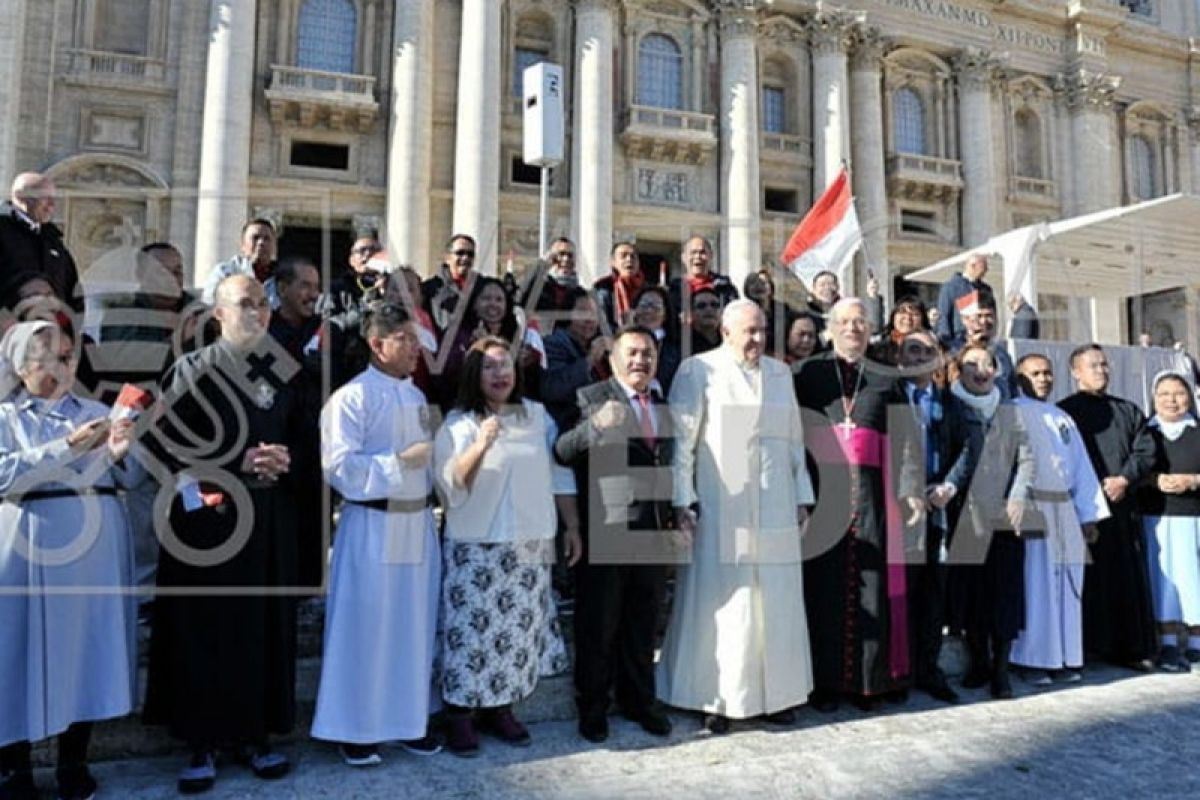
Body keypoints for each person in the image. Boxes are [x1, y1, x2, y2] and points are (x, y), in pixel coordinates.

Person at [144, 275, 304, 793]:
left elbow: (307, 438)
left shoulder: (283, 371)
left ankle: (257, 736)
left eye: (263, 303)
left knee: (263, 630)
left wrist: (289, 458)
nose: (257, 312)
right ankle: (201, 742)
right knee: (205, 631)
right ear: (219, 314)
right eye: (244, 304)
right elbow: (165, 446)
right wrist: (233, 461)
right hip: (208, 529)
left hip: (267, 524)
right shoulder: (191, 370)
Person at [658, 300, 814, 733]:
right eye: (749, 331)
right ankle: (717, 697)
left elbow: (794, 438)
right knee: (725, 604)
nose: (758, 339)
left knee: (776, 603)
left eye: (762, 330)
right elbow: (682, 442)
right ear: (726, 332)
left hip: (776, 502)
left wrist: (802, 494)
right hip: (720, 502)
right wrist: (681, 500)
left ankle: (777, 695)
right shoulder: (697, 370)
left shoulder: (781, 373)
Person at [0, 321, 139, 800]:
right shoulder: (5, 417)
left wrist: (118, 452)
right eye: (50, 357)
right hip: (29, 542)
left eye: (68, 356)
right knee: (16, 654)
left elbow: (125, 474)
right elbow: (3, 474)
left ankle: (73, 761)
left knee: (86, 652)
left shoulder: (97, 410)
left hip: (94, 544)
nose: (64, 366)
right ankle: (14, 767)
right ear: (21, 366)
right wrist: (67, 445)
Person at [432, 337, 578, 756]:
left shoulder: (536, 415)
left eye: (506, 366)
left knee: (516, 631)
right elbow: (449, 484)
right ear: (474, 375)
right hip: (476, 543)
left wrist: (572, 526)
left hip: (529, 539)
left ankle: (501, 707)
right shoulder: (457, 423)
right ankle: (459, 713)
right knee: (470, 632)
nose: (501, 374)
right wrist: (481, 442)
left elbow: (559, 475)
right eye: (490, 367)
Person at [311, 304, 442, 764]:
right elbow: (338, 467)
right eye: (405, 338)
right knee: (367, 626)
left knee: (412, 623)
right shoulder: (351, 398)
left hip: (416, 522)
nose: (415, 349)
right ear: (377, 343)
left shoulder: (417, 398)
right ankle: (357, 726)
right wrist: (399, 463)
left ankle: (410, 720)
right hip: (370, 521)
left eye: (417, 339)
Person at [794, 298, 922, 712]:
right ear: (830, 329)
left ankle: (869, 683)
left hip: (873, 496)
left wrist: (910, 489)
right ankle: (826, 684)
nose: (853, 328)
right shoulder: (808, 373)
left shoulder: (887, 378)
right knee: (823, 591)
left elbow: (905, 441)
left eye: (860, 322)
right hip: (820, 492)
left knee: (872, 590)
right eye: (845, 322)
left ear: (870, 331)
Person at [555, 325, 675, 744]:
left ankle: (640, 702)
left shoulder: (660, 402)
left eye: (648, 354)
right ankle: (593, 709)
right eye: (633, 353)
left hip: (654, 532)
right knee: (598, 627)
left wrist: (679, 513)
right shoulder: (589, 398)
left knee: (643, 625)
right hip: (605, 532)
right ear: (613, 359)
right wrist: (596, 428)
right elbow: (562, 451)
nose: (640, 360)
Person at [1058, 344, 1158, 671]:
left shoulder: (1127, 410)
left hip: (1121, 508)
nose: (1101, 370)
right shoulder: (1063, 412)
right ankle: (1083, 650)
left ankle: (1129, 648)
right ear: (1075, 372)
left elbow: (1144, 450)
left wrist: (1124, 479)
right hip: (1079, 511)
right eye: (1093, 365)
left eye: (1104, 364)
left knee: (1125, 579)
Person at [1009, 354, 1107, 684]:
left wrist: (1088, 514)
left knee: (1068, 585)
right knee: (1037, 585)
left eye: (1048, 373)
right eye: (1035, 373)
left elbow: (1081, 467)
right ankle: (1033, 658)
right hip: (1034, 504)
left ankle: (1066, 655)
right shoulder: (1012, 411)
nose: (1044, 379)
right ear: (1019, 377)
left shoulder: (1063, 416)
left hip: (1065, 506)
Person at [945, 344, 1033, 700]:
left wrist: (1017, 497)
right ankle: (979, 660)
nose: (980, 370)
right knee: (971, 591)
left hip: (1004, 511)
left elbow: (1027, 460)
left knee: (1005, 590)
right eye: (971, 364)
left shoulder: (1011, 410)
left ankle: (1001, 668)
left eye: (987, 363)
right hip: (963, 511)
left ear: (997, 370)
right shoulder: (950, 407)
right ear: (959, 371)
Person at [897, 330, 976, 703]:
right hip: (897, 509)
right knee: (900, 592)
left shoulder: (951, 404)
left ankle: (928, 669)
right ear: (900, 358)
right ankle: (897, 672)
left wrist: (949, 486)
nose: (921, 356)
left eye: (929, 351)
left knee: (933, 591)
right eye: (913, 350)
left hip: (939, 506)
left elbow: (967, 448)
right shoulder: (888, 398)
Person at [1139, 371, 1200, 671]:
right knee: (1162, 579)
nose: (1171, 400)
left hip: (1194, 518)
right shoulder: (1145, 433)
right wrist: (1154, 479)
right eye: (1164, 394)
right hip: (1156, 517)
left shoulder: (1197, 430)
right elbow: (1132, 469)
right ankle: (1168, 643)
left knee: (1194, 579)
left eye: (1178, 393)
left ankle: (1196, 642)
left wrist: (1193, 480)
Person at [0, 173, 81, 311]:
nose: (52, 204)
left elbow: (73, 292)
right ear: (21, 196)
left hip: (51, 329)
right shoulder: (3, 231)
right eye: (45, 197)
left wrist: (69, 328)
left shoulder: (52, 240)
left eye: (53, 198)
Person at [541, 288, 610, 429]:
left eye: (594, 313)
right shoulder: (554, 343)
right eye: (582, 312)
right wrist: (590, 360)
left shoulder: (601, 344)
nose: (589, 319)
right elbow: (554, 389)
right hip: (570, 426)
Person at [201, 218, 278, 307]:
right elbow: (208, 305)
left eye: (267, 239)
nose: (261, 243)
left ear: (274, 246)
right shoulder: (225, 273)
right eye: (255, 238)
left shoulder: (285, 276)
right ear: (243, 245)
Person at [667, 235, 737, 318]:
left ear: (711, 256)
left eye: (702, 252)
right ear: (683, 258)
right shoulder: (672, 289)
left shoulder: (725, 288)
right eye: (693, 252)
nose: (697, 257)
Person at [629, 286, 681, 394]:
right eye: (644, 306)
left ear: (665, 315)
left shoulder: (675, 349)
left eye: (655, 307)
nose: (649, 311)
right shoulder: (621, 342)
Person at [935, 252, 992, 349]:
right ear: (972, 266)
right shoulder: (951, 287)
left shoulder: (985, 289)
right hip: (959, 338)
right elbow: (944, 314)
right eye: (984, 268)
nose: (986, 271)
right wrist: (945, 340)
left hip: (981, 337)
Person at [422, 233, 476, 333]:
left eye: (470, 254)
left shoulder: (481, 287)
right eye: (460, 253)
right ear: (447, 258)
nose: (465, 258)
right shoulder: (429, 289)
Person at [518, 237, 580, 314]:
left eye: (570, 255)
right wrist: (542, 265)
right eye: (561, 254)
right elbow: (519, 299)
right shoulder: (540, 289)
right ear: (551, 257)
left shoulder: (580, 294)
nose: (566, 259)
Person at [593, 242, 643, 331]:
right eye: (623, 256)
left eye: (633, 256)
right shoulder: (603, 288)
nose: (629, 259)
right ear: (613, 262)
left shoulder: (646, 289)